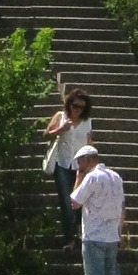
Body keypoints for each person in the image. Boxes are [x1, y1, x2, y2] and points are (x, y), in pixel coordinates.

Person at [68, 147, 128, 275]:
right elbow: (122, 205)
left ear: (87, 159)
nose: (79, 166)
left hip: (94, 235)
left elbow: (75, 203)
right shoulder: (115, 177)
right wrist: (120, 230)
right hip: (111, 235)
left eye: (80, 162)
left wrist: (78, 180)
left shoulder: (92, 177)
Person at [41, 87, 93, 246]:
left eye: (81, 107)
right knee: (66, 200)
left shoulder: (86, 122)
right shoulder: (60, 116)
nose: (77, 110)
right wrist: (61, 129)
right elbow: (46, 134)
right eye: (74, 105)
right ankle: (70, 238)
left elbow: (89, 143)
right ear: (69, 104)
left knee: (79, 199)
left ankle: (77, 230)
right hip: (62, 164)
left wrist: (90, 164)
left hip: (79, 166)